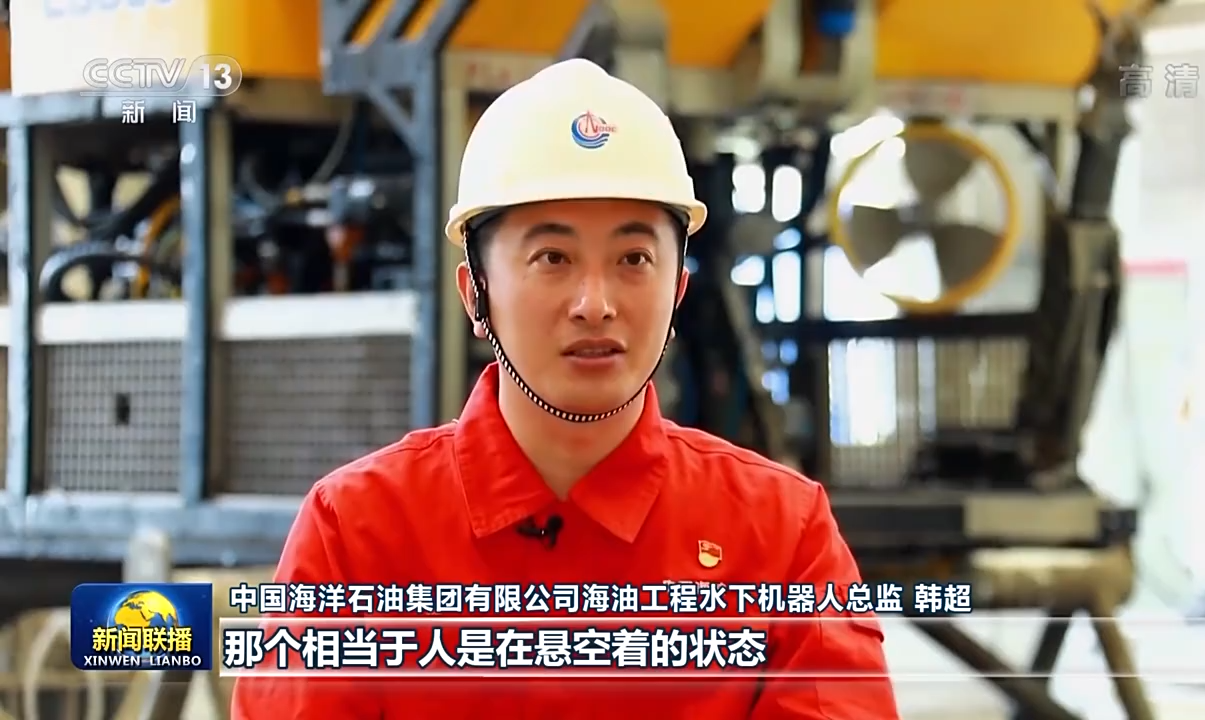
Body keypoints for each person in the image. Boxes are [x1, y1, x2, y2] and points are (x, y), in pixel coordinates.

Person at [232, 59, 899, 719]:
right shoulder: (357, 535)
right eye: (552, 258)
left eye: (633, 259)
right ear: (476, 294)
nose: (595, 304)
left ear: (678, 291)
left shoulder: (780, 535)